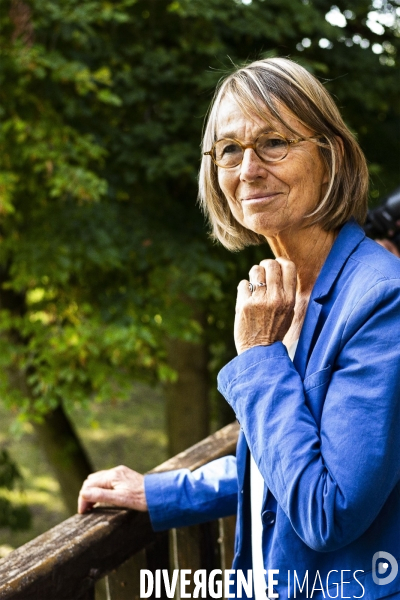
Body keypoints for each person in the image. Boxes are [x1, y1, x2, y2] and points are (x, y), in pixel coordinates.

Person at [78, 58, 400, 599]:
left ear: (331, 155)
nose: (247, 169)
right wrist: (162, 494)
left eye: (273, 143)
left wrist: (256, 357)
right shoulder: (288, 287)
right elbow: (283, 459)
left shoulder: (382, 300)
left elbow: (329, 508)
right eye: (229, 149)